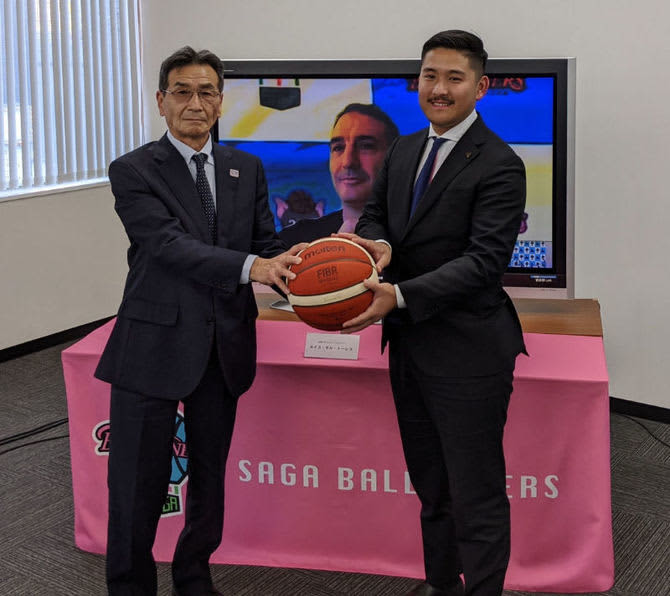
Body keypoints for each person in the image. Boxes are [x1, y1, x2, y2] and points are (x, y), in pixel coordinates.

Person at [94, 46, 304, 596]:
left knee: (209, 480)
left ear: (221, 101)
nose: (195, 103)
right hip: (153, 345)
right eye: (182, 92)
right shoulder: (133, 170)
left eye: (206, 92)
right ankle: (130, 587)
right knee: (137, 485)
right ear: (161, 101)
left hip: (223, 346)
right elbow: (168, 246)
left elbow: (266, 244)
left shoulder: (245, 167)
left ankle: (194, 578)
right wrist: (254, 266)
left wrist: (315, 269)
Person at [338, 31, 527, 596]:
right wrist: (378, 246)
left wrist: (397, 295)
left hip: (469, 352)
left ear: (480, 87)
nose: (438, 89)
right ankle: (442, 584)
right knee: (431, 487)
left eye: (453, 78)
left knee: (476, 493)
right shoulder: (403, 149)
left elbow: (484, 262)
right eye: (429, 76)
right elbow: (374, 215)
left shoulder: (501, 164)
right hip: (410, 345)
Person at [278, 102, 398, 245]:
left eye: (366, 146)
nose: (348, 162)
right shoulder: (292, 240)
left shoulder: (414, 239)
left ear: (394, 158)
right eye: (338, 148)